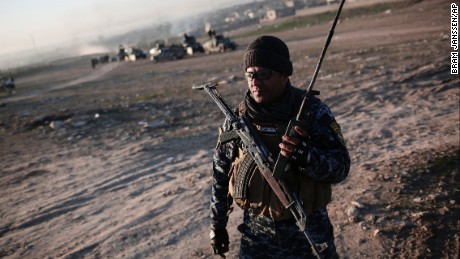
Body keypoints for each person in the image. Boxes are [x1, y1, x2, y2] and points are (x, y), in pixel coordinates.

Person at [209, 35, 350, 258]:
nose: (255, 82)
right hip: (257, 235)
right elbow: (221, 175)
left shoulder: (312, 112)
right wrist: (217, 225)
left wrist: (306, 157)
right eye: (250, 75)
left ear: (285, 75)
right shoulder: (237, 120)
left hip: (308, 231)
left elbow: (341, 168)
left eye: (264, 74)